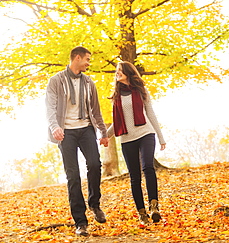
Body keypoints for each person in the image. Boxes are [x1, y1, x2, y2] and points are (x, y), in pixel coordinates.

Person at [46, 46, 109, 237]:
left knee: (94, 165)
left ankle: (95, 205)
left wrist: (103, 132)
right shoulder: (56, 81)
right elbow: (50, 108)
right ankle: (80, 222)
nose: (89, 63)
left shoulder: (89, 82)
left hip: (86, 129)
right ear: (78, 58)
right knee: (72, 176)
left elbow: (96, 110)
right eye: (87, 59)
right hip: (66, 133)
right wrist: (55, 127)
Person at [107, 61, 166, 225]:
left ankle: (154, 206)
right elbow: (116, 122)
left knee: (148, 166)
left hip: (145, 133)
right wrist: (105, 136)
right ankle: (141, 213)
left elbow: (151, 114)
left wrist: (161, 138)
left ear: (128, 72)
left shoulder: (141, 90)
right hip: (127, 139)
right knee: (134, 177)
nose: (117, 73)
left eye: (120, 70)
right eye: (116, 71)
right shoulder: (116, 96)